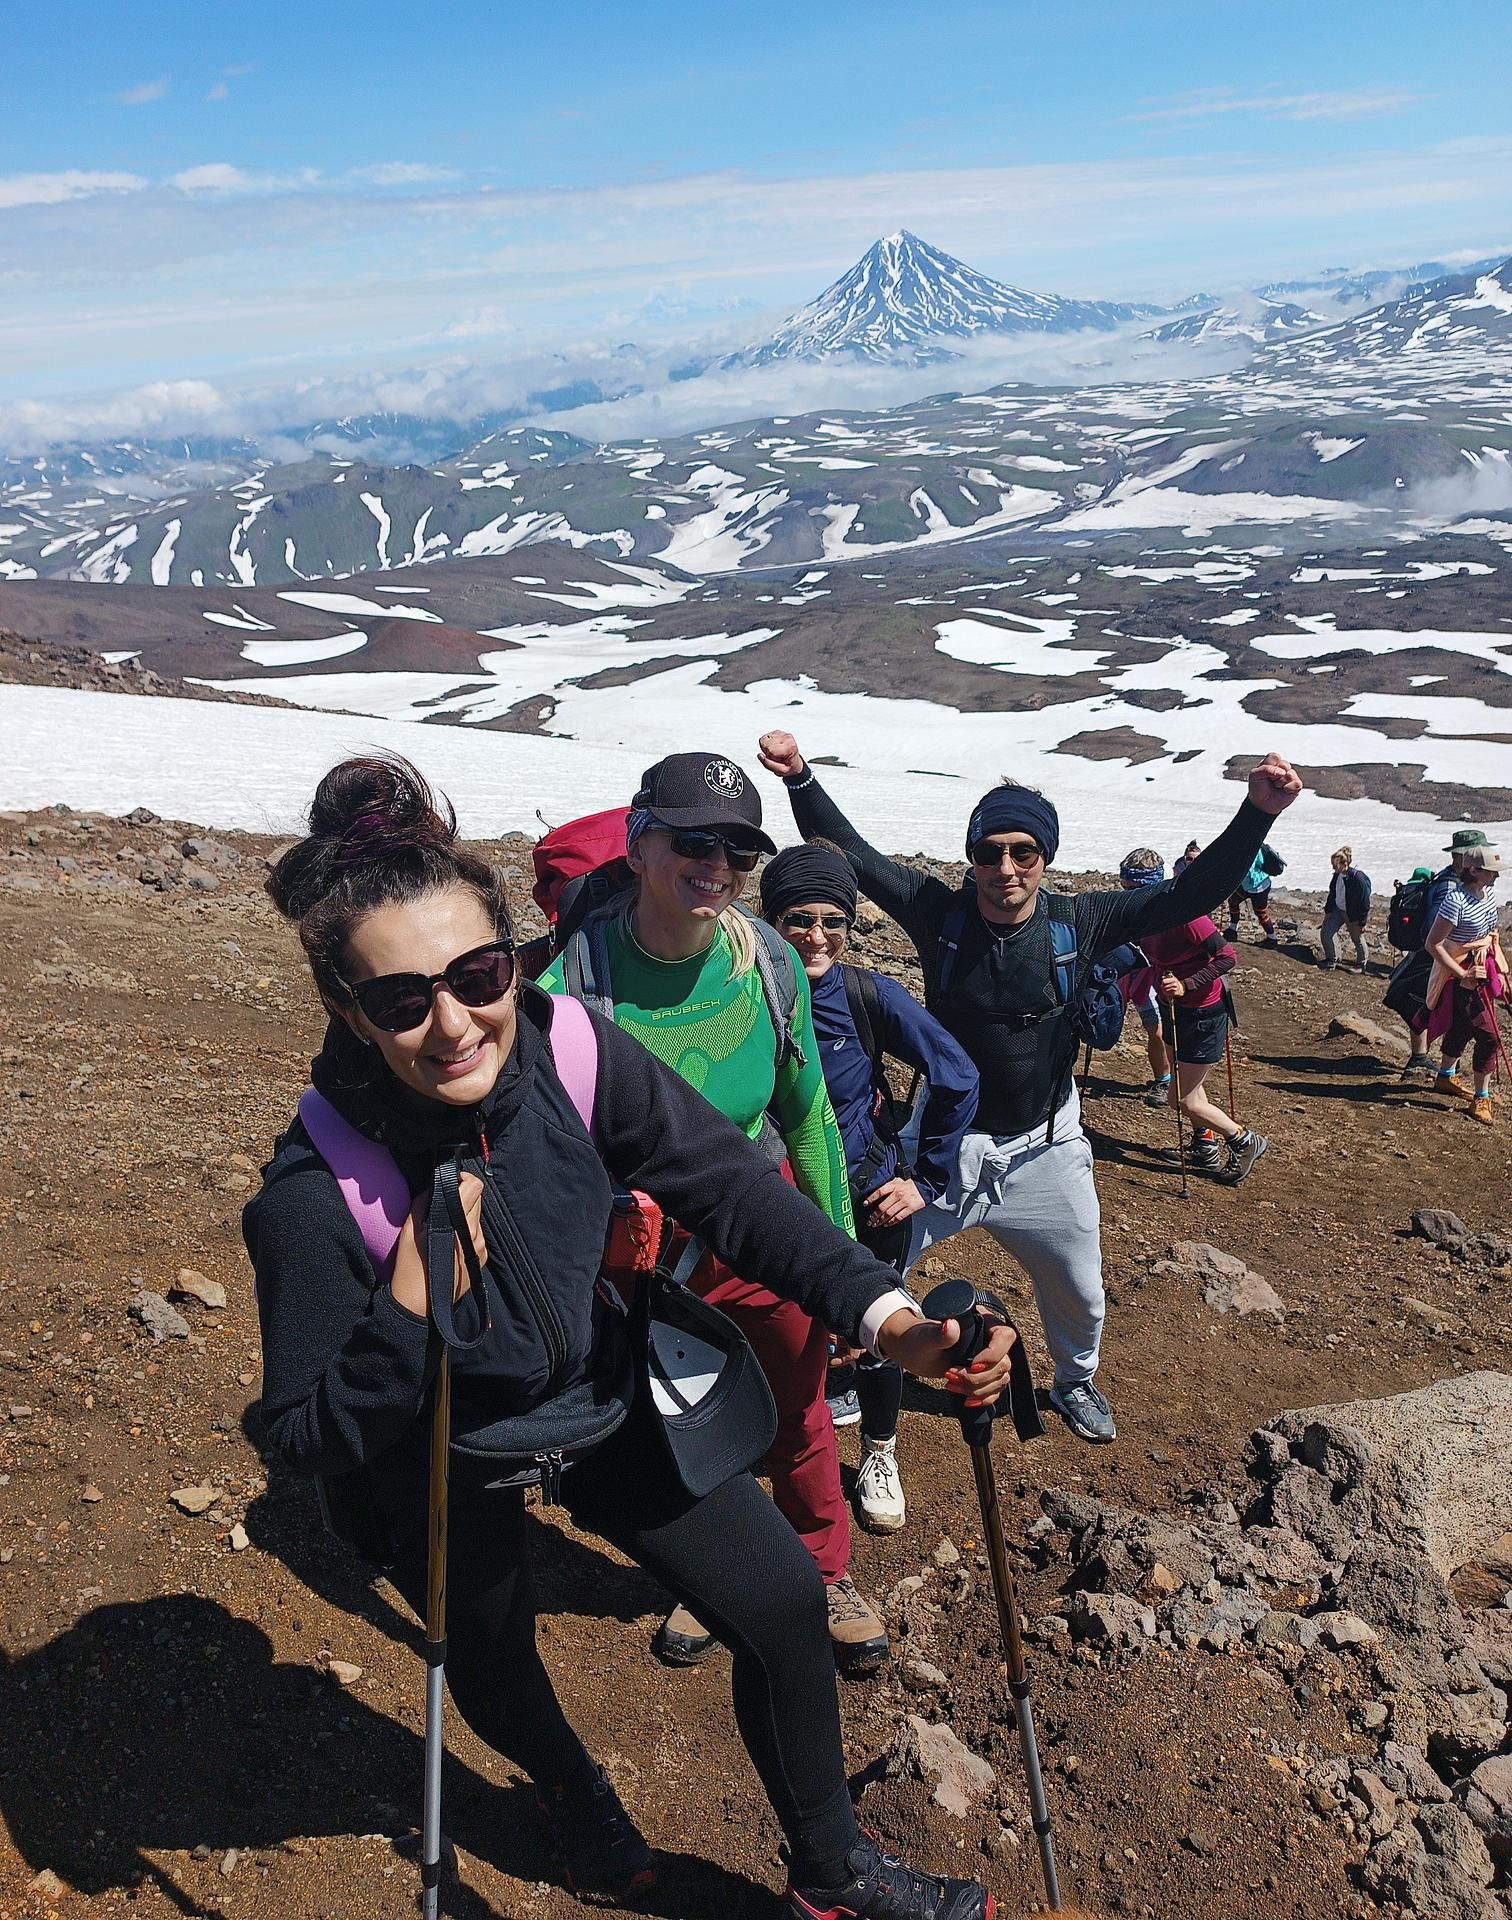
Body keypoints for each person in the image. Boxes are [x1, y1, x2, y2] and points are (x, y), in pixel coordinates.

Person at [246, 752, 1011, 1920]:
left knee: (785, 1612)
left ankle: (834, 1874)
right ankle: (571, 1786)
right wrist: (408, 1298)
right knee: (499, 1661)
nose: (453, 1024)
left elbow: (734, 1191)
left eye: (478, 974)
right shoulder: (317, 1186)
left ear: (514, 954)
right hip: (444, 1454)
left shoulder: (571, 1048)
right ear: (346, 1010)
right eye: (402, 1001)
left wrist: (891, 1319)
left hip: (603, 1394)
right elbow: (304, 1435)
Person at [757, 730, 1304, 1445]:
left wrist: (1258, 812)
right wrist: (800, 778)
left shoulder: (1082, 921)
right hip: (946, 1145)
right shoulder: (941, 914)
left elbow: (1193, 892)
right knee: (864, 1265)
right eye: (989, 852)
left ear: (1045, 858)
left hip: (1046, 1148)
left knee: (1080, 1291)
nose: (1005, 868)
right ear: (972, 857)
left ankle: (1075, 1381)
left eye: (1024, 852)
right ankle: (855, 1369)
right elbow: (853, 855)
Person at [539, 753, 888, 1674]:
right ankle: (719, 1574)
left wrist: (842, 1262)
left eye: (738, 848)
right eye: (695, 840)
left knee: (796, 1405)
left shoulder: (767, 961)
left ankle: (822, 1569)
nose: (718, 865)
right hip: (634, 1242)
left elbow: (807, 1109)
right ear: (639, 840)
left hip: (753, 1221)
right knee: (674, 1415)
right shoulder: (577, 971)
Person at [759, 843, 980, 1534]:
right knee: (776, 1331)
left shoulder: (867, 995)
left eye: (834, 920)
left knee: (879, 1325)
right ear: (770, 921)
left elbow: (957, 1073)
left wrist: (927, 1178)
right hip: (769, 1202)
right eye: (799, 919)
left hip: (868, 1197)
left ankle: (879, 1451)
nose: (818, 936)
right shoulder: (741, 990)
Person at [1388, 832, 1495, 1084]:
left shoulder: (1446, 879)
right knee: (1442, 1011)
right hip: (1444, 961)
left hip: (1438, 959)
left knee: (1446, 1014)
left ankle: (1437, 1067)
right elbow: (1435, 935)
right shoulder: (1452, 889)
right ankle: (1428, 1062)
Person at [1417, 848, 1508, 1125]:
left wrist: (1499, 968)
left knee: (1463, 1024)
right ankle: (1482, 1096)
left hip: (1479, 968)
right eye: (1491, 870)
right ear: (1474, 871)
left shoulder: (1488, 894)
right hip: (1461, 976)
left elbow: (1489, 935)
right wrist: (1462, 973)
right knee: (1489, 1036)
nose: (1496, 875)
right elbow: (1433, 944)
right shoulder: (1455, 901)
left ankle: (1445, 1076)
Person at [1115, 851, 1173, 1108]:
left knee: (1156, 1029)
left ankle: (1164, 1079)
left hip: (1151, 976)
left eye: (1134, 888)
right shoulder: (1122, 905)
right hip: (1125, 973)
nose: (1129, 893)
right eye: (1125, 887)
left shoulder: (1167, 910)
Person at [1319, 847, 1373, 972]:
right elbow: (1332, 893)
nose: (1333, 868)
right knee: (1326, 932)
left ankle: (1361, 963)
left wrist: (1362, 922)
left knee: (1357, 938)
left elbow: (1364, 902)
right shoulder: (1337, 876)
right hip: (1338, 909)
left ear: (1345, 864)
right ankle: (1332, 959)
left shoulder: (1357, 879)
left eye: (1335, 865)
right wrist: (1328, 911)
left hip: (1352, 913)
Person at [1224, 845, 1279, 946]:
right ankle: (1233, 930)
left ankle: (1272, 939)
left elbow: (1248, 871)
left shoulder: (1248, 850)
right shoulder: (1254, 845)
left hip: (1256, 886)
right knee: (1234, 901)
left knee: (1260, 912)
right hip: (1258, 884)